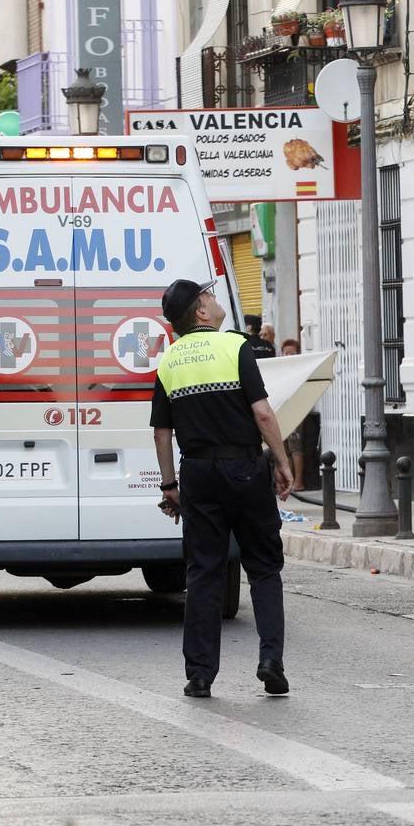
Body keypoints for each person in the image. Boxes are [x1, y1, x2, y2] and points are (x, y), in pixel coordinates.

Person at [152, 279, 294, 699]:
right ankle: (270, 660)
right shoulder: (235, 347)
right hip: (245, 470)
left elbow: (162, 435)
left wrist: (170, 486)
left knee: (203, 573)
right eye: (209, 296)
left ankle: (199, 675)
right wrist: (282, 462)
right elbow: (263, 414)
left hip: (197, 474)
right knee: (264, 567)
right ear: (200, 311)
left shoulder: (169, 361)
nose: (215, 301)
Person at [280, 338, 306, 491]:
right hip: (284, 409)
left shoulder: (300, 369)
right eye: (286, 353)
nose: (289, 355)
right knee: (285, 448)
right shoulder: (281, 368)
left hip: (296, 409)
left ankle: (298, 481)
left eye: (292, 353)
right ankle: (288, 481)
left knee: (295, 446)